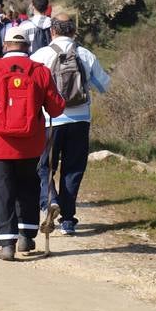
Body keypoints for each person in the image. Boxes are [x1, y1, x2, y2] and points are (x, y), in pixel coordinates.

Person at [0, 26, 66, 260]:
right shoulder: (39, 71)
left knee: (3, 191)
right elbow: (56, 107)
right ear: (27, 46)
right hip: (31, 143)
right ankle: (26, 236)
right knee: (29, 187)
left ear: (5, 45)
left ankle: (6, 243)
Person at [30, 14, 110, 236]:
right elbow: (105, 85)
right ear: (74, 32)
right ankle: (68, 220)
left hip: (49, 121)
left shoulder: (41, 55)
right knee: (72, 169)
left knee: (44, 166)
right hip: (80, 120)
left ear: (52, 32)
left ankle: (49, 201)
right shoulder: (85, 54)